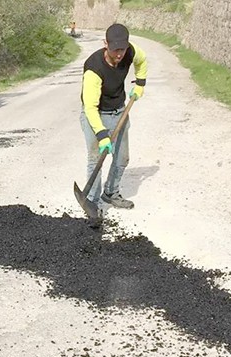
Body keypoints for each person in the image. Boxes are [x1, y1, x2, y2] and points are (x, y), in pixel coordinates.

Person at [79, 23, 147, 216]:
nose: (119, 54)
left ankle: (111, 192)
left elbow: (143, 61)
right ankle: (92, 202)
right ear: (105, 44)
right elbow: (90, 107)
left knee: (122, 158)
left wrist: (140, 83)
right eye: (115, 49)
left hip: (119, 112)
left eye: (122, 49)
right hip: (96, 114)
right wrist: (102, 135)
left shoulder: (131, 52)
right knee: (96, 159)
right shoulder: (93, 68)